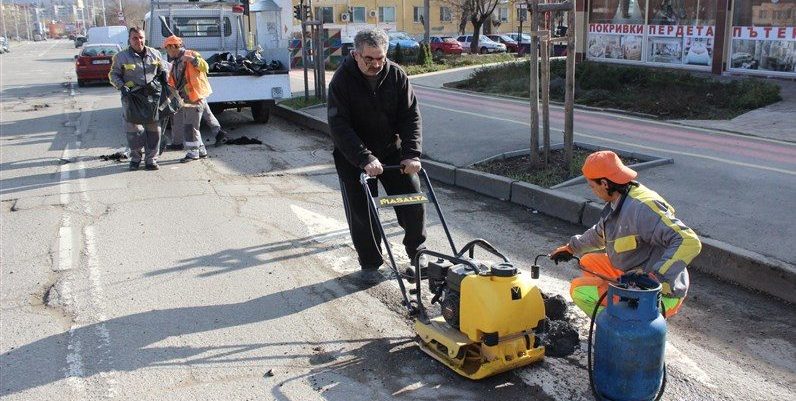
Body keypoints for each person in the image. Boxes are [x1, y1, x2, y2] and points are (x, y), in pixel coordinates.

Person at [550, 151, 701, 318]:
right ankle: (622, 309)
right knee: (588, 262)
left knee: (579, 290)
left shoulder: (642, 208)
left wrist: (655, 277)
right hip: (637, 273)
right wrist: (571, 248)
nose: (591, 190)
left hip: (657, 294)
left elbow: (689, 241)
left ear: (604, 183)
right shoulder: (619, 199)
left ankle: (619, 328)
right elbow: (600, 234)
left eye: (592, 186)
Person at [327, 28, 425, 281]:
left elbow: (410, 116)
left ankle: (417, 255)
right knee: (363, 212)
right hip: (354, 156)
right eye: (369, 59)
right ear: (355, 54)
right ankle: (370, 263)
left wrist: (411, 153)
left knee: (412, 200)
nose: (376, 64)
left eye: (380, 57)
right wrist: (364, 158)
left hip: (391, 152)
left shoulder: (396, 75)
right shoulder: (342, 80)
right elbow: (339, 126)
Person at [109, 27, 166, 170]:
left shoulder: (155, 54)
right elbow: (113, 75)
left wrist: (164, 74)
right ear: (129, 39)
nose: (138, 41)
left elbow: (162, 69)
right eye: (135, 38)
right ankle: (135, 159)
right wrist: (121, 86)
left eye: (140, 37)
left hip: (151, 98)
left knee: (154, 130)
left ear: (144, 38)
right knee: (133, 130)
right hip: (131, 98)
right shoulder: (120, 57)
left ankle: (151, 159)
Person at [162, 35, 212, 162]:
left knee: (190, 127)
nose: (167, 52)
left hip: (195, 98)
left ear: (173, 47)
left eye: (167, 49)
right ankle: (201, 150)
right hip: (185, 99)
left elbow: (205, 67)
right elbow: (174, 81)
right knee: (192, 126)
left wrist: (192, 59)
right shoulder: (175, 62)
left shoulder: (191, 54)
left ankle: (192, 153)